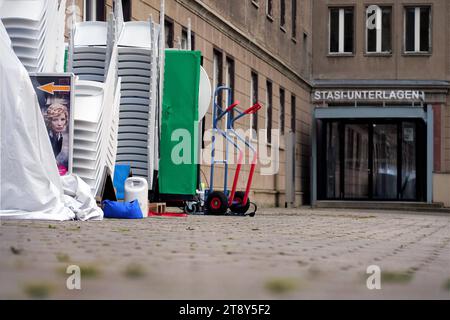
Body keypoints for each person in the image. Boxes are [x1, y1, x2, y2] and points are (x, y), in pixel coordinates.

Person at [45, 103, 69, 174]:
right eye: (55, 120)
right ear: (49, 121)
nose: (60, 123)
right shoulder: (45, 136)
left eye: (62, 119)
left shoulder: (59, 136)